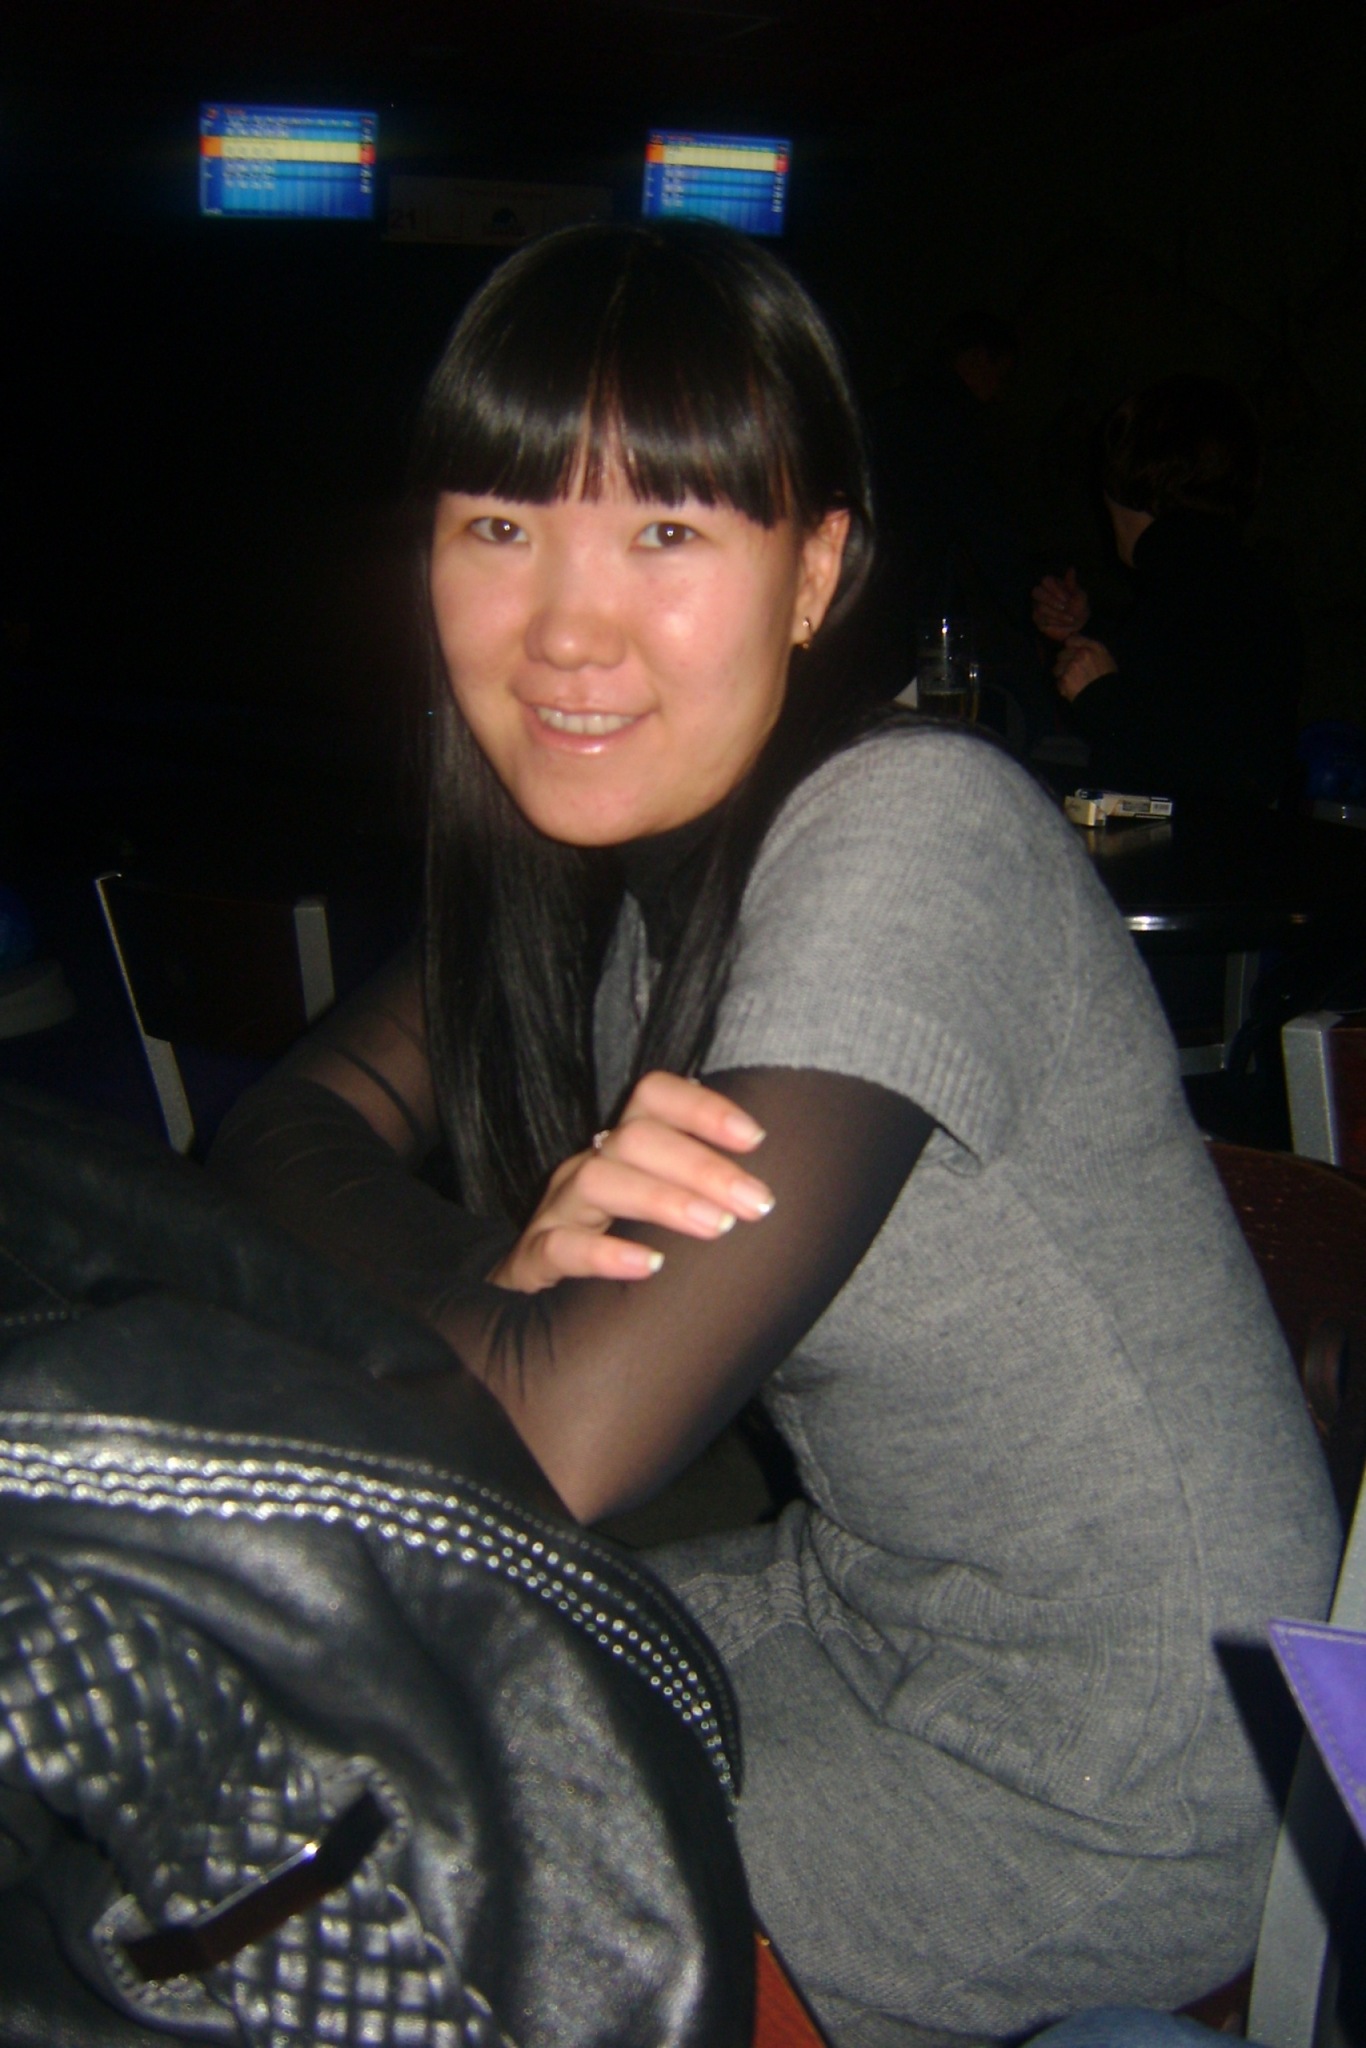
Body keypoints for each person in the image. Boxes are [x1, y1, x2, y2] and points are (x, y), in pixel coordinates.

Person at [209, 224, 1338, 2048]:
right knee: (336, 1673)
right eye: (499, 525)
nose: (564, 628)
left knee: (377, 1847)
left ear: (813, 571)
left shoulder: (911, 825)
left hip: (1123, 1764)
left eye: (666, 531)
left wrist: (502, 1324)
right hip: (857, 1610)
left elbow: (562, 1427)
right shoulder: (576, 871)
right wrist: (489, 1286)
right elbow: (277, 1123)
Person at [1032, 376, 1301, 806]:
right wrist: (1084, 633)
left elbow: (1227, 767)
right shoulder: (1221, 578)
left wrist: (1101, 697)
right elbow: (1177, 699)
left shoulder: (1199, 587)